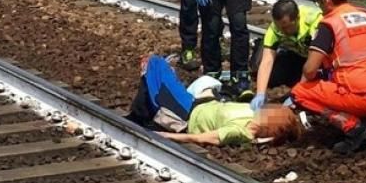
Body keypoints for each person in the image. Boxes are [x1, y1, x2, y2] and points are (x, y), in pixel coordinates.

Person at [290, 0, 366, 154]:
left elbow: (309, 71)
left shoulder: (329, 25)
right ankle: (363, 118)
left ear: (325, 0)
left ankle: (355, 126)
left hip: (363, 98)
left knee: (300, 93)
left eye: (318, 1)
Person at [127, 54, 301, 146]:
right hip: (200, 102)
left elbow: (203, 138)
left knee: (154, 65)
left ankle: (142, 114)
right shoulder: (254, 112)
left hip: (186, 115)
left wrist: (167, 136)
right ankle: (145, 109)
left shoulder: (243, 131)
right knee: (160, 68)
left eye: (273, 112)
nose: (269, 108)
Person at [249, 0, 323, 111]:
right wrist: (260, 93)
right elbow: (267, 60)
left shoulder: (315, 22)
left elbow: (313, 63)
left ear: (297, 18)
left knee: (315, 87)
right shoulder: (275, 28)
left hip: (318, 60)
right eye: (279, 28)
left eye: (286, 27)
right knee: (273, 77)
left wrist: (298, 93)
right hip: (296, 55)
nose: (282, 31)